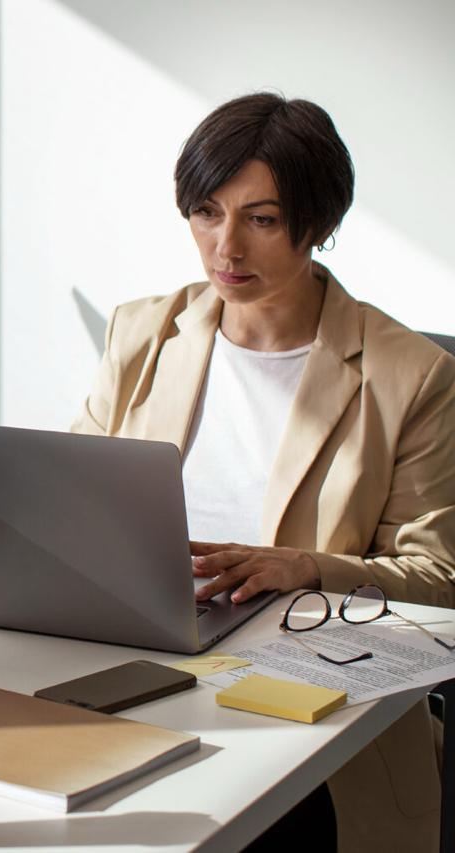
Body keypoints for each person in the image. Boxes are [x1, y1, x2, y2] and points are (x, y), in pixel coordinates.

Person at [74, 93, 455, 851]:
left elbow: (440, 575)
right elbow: (70, 502)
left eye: (262, 219)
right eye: (207, 211)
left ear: (318, 224)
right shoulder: (143, 331)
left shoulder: (411, 374)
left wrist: (306, 566)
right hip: (142, 671)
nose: (226, 249)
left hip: (317, 716)